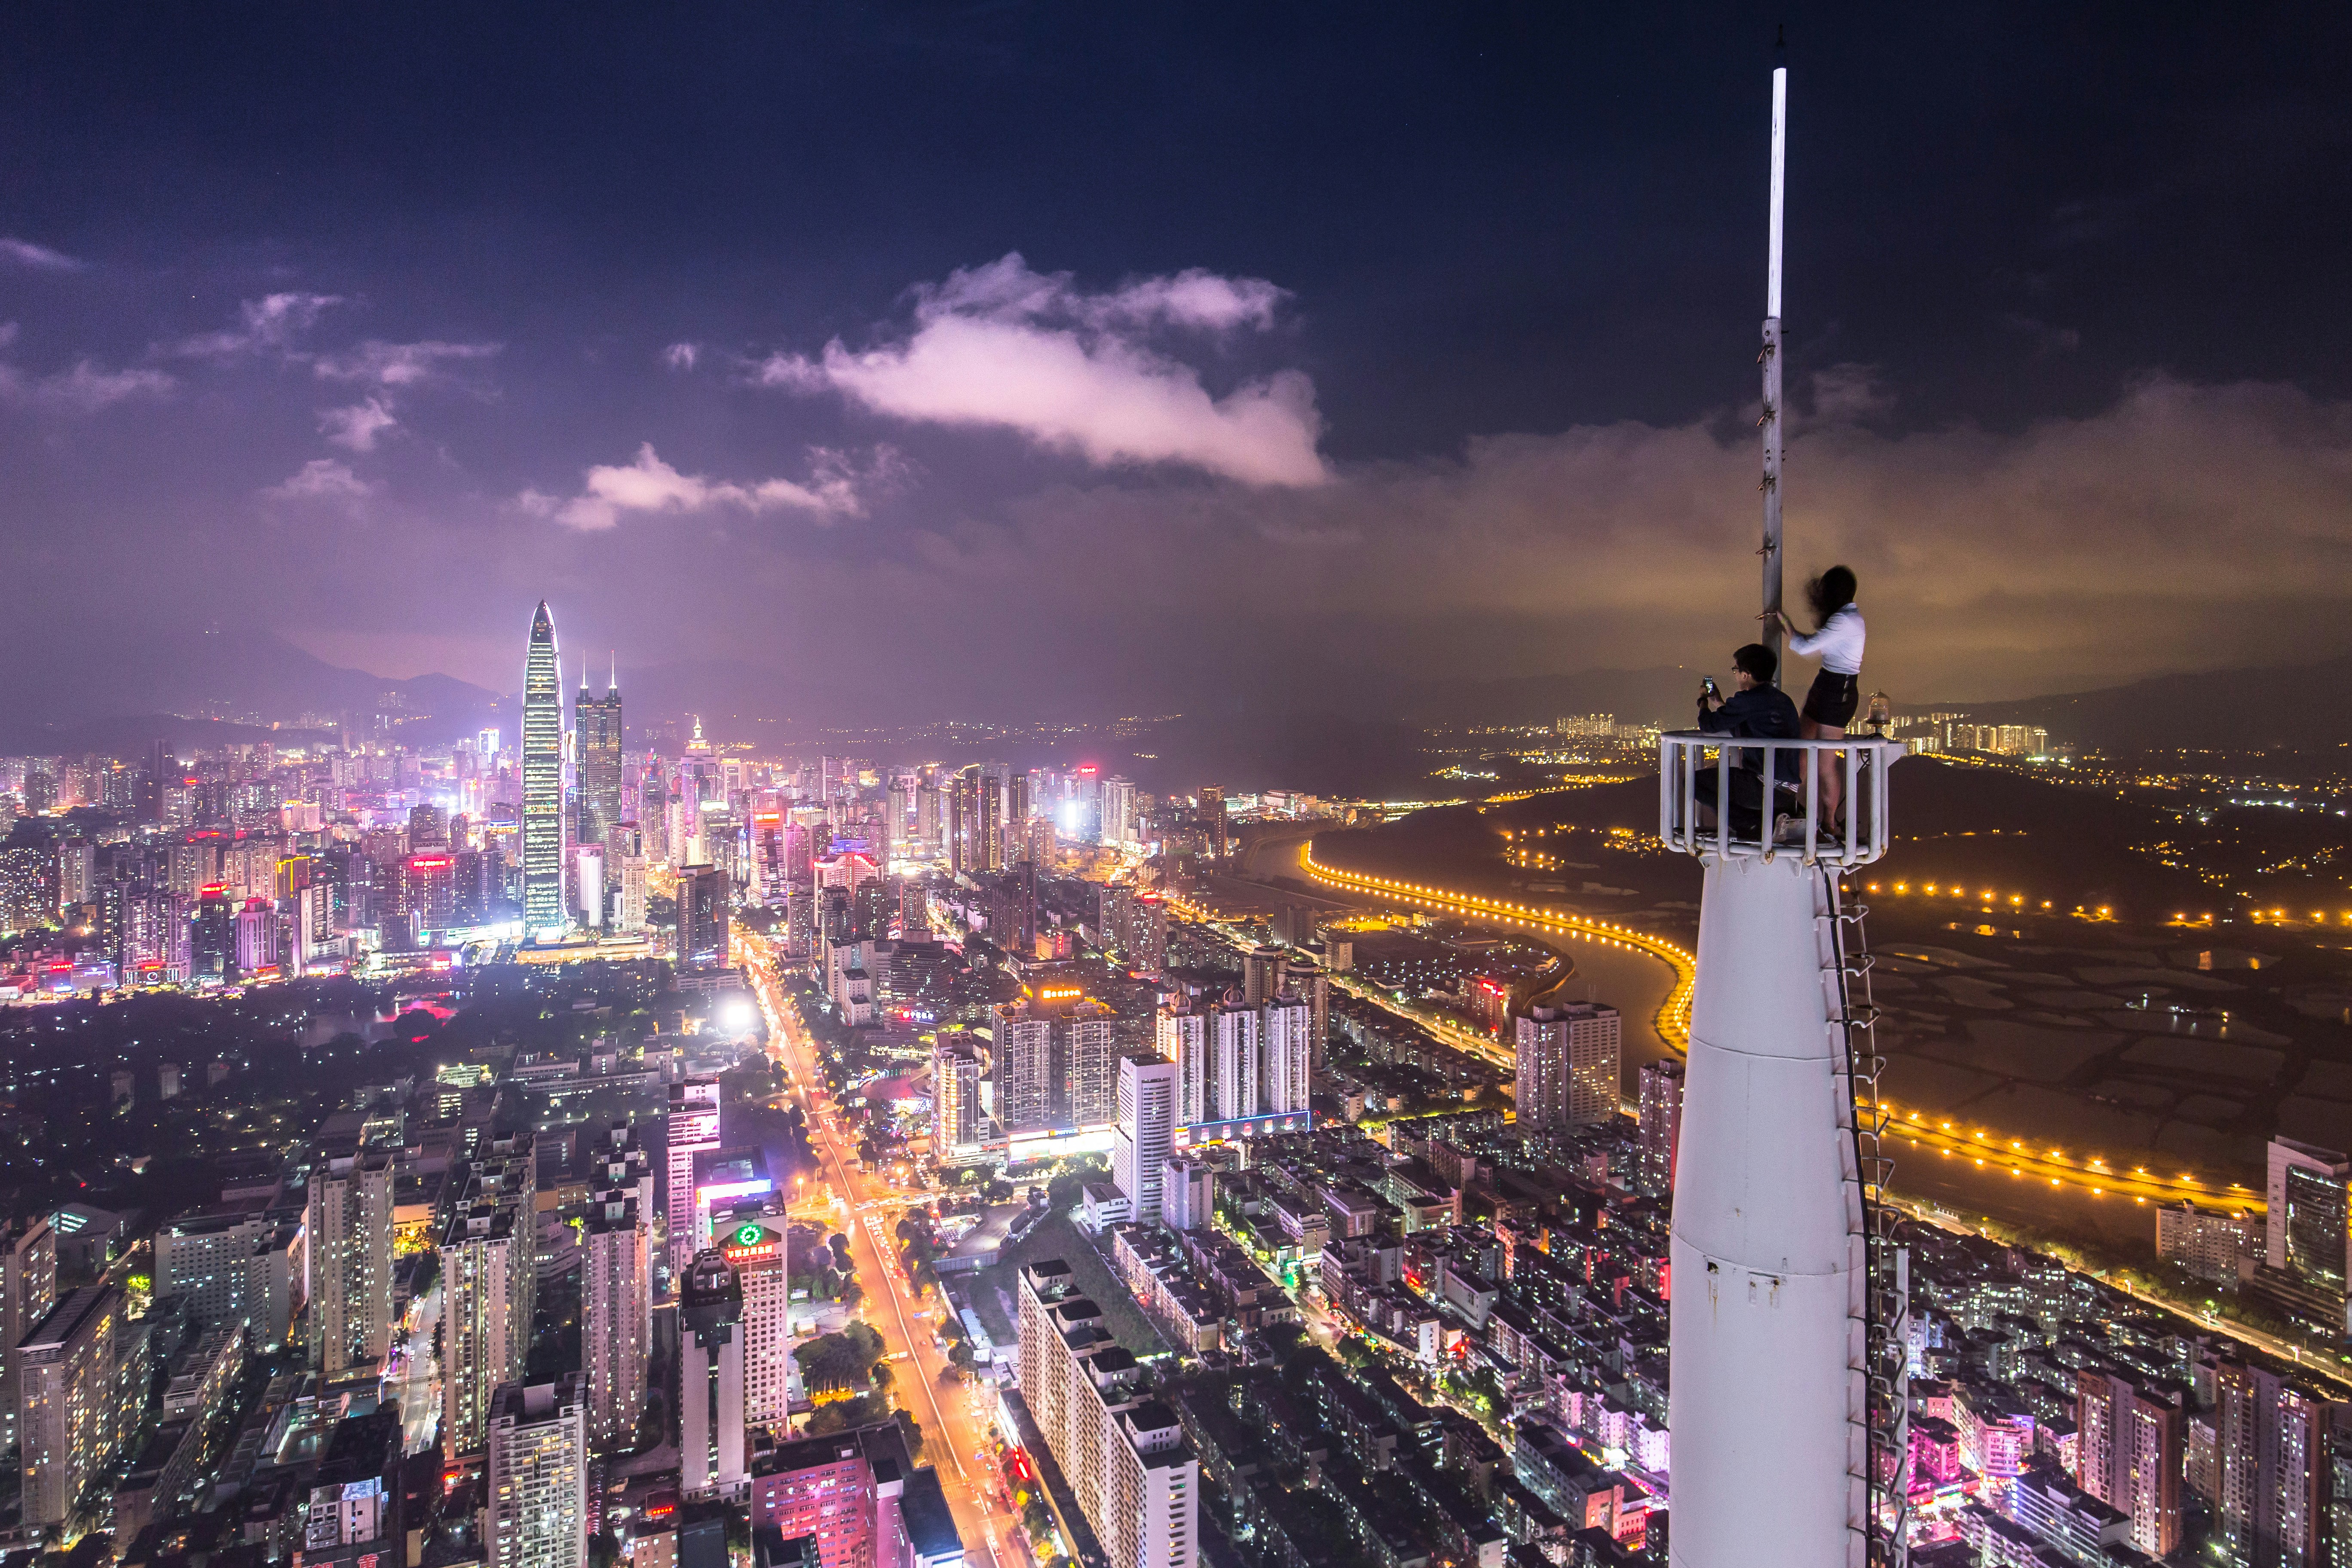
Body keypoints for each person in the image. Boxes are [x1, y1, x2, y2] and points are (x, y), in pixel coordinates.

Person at [1766, 564, 1865, 823]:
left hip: (1838, 690)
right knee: (1801, 751)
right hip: (1829, 684)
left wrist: (1784, 621)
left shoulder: (1845, 621)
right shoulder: (1846, 618)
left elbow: (1803, 646)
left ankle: (1829, 822)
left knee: (1824, 764)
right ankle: (1791, 810)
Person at [1693, 642, 1801, 839]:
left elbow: (1708, 724)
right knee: (1726, 782)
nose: (1735, 675)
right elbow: (1743, 726)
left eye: (1736, 670)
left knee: (1693, 782)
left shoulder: (1748, 699)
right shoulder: (1783, 700)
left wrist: (1703, 701)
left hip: (1763, 784)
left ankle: (1748, 825)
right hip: (1788, 790)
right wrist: (1718, 701)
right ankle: (1760, 823)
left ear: (1746, 675)